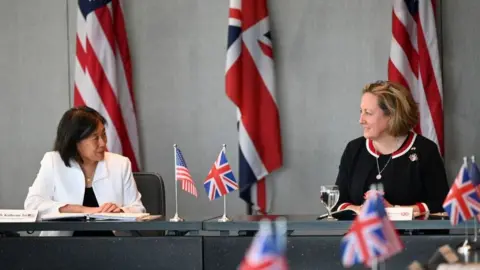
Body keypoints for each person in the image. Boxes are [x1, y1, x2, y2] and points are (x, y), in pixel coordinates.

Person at [24, 106, 145, 236]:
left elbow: (139, 210)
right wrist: (80, 210)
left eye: (103, 134)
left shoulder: (120, 164)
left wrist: (120, 212)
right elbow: (32, 205)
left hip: (113, 247)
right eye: (95, 138)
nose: (103, 143)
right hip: (62, 249)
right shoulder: (53, 162)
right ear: (75, 141)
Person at [334, 80, 449, 217]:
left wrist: (393, 210)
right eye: (361, 111)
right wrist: (360, 210)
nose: (361, 120)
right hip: (360, 236)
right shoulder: (354, 149)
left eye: (368, 113)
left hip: (410, 237)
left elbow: (441, 204)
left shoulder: (425, 150)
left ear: (392, 115)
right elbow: (337, 202)